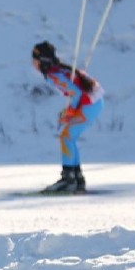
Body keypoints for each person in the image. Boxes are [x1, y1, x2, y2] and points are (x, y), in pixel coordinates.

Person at [32, 40, 104, 193]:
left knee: (66, 137)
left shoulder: (53, 75)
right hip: (93, 102)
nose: (33, 63)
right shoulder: (57, 70)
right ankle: (77, 177)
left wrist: (70, 112)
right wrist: (69, 111)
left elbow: (76, 93)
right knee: (69, 136)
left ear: (42, 61)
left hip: (90, 104)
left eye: (35, 60)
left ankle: (69, 179)